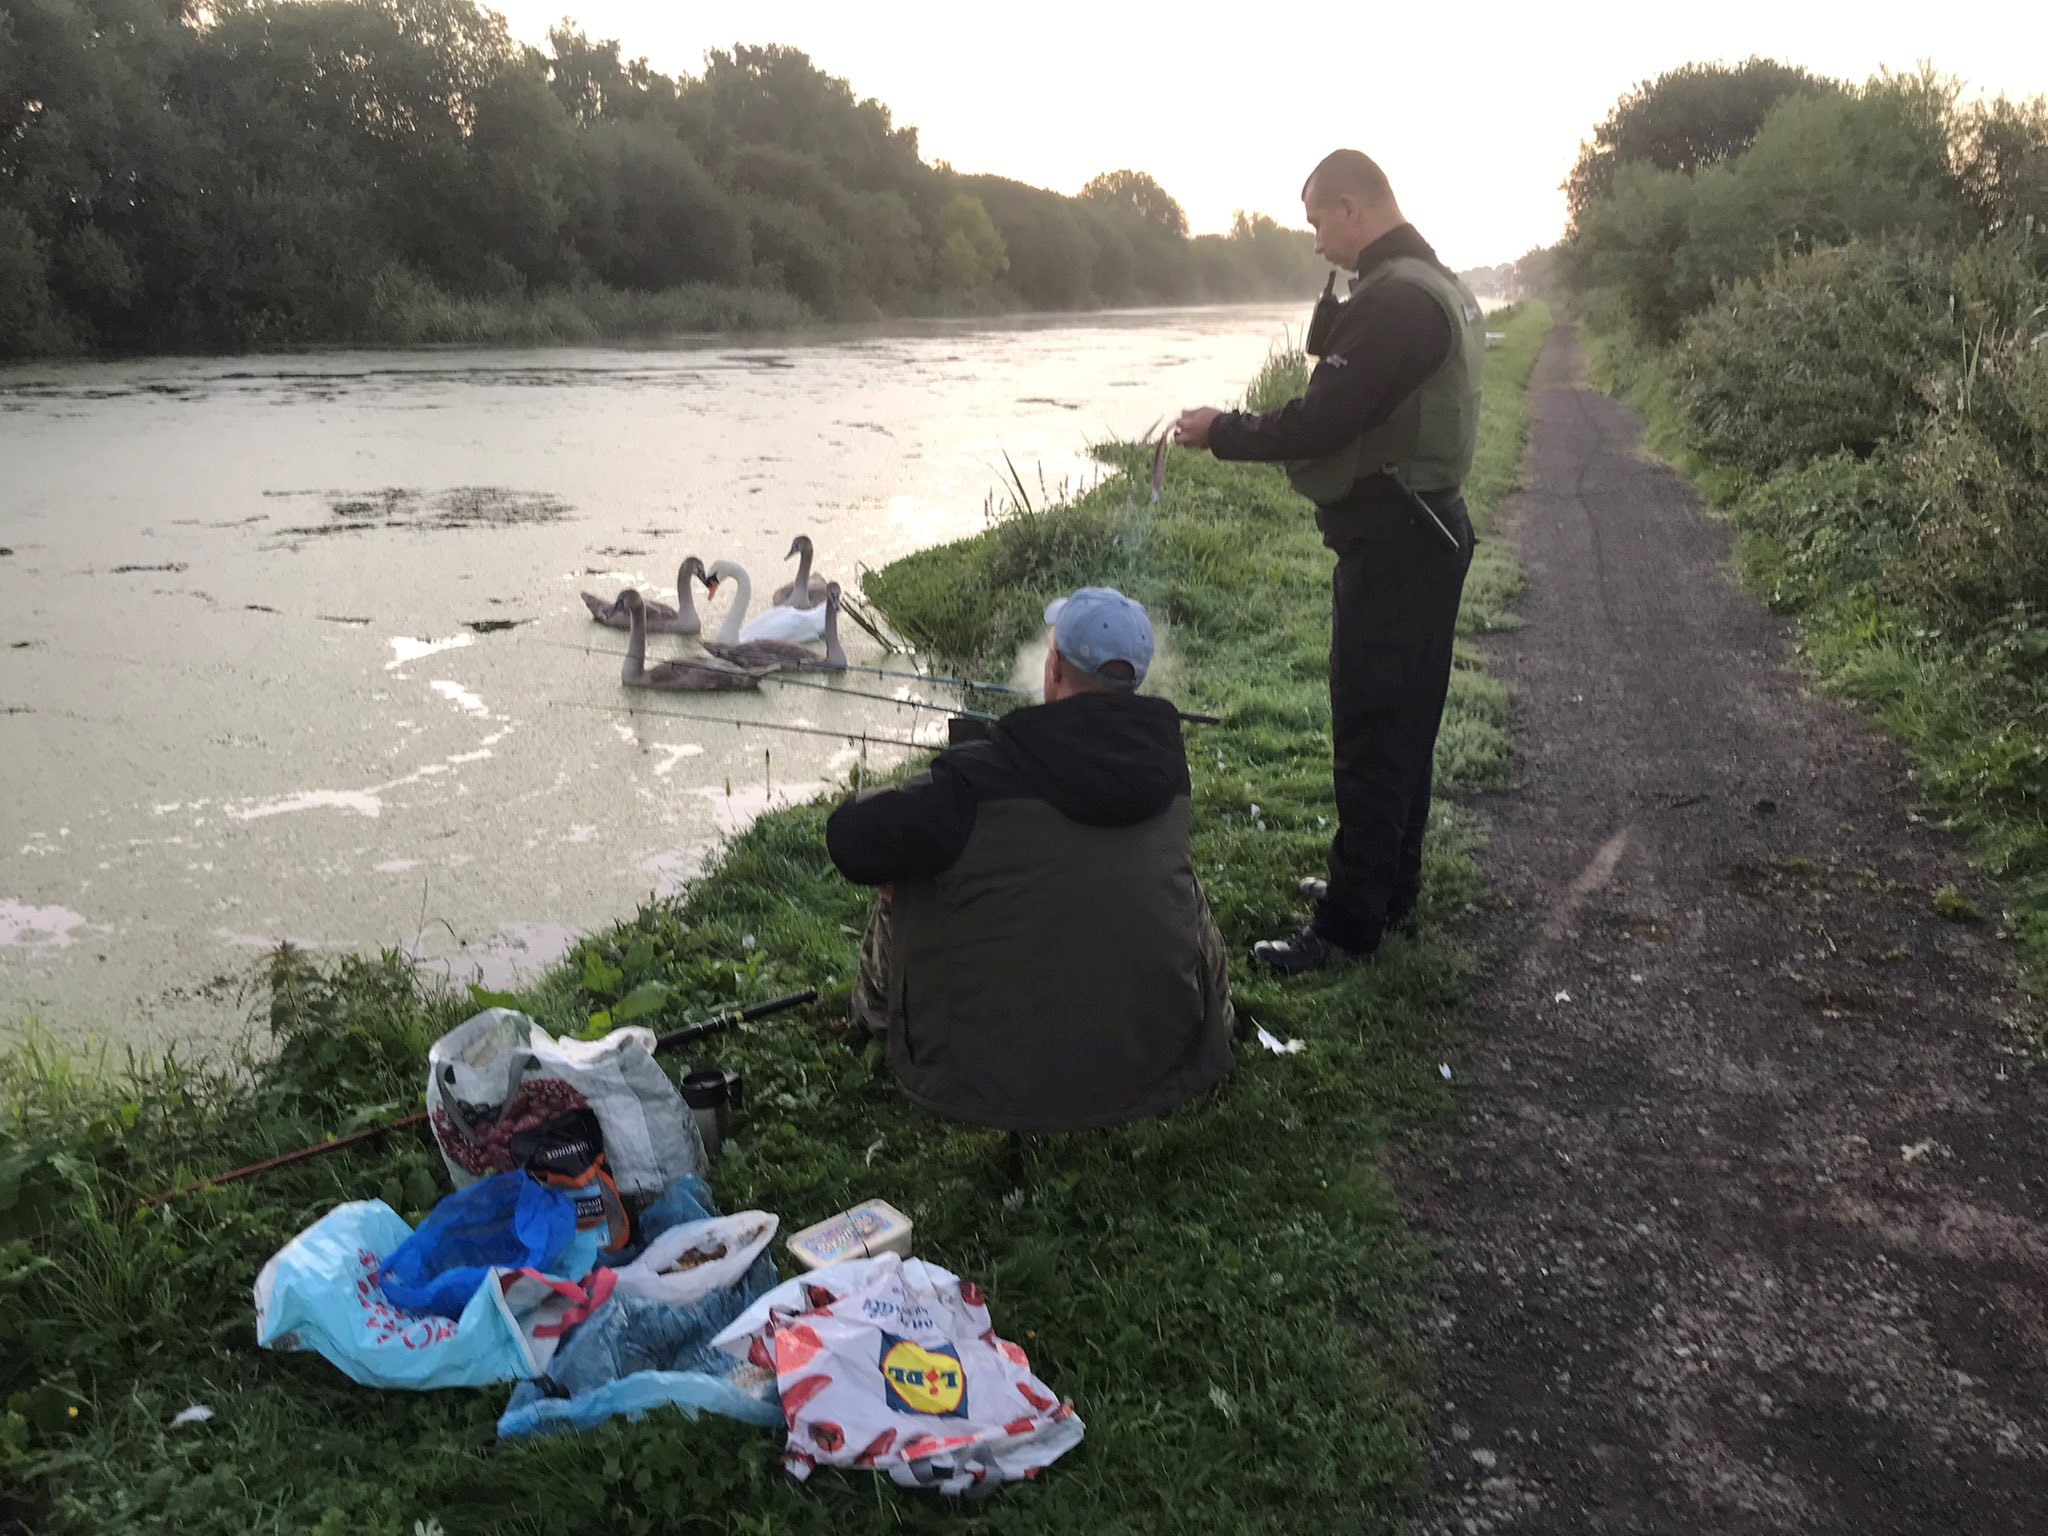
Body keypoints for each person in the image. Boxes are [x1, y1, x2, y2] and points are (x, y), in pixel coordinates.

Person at [1172, 149, 1486, 975]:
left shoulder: (1395, 305)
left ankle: (1349, 927)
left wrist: (1220, 431)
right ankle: (1387, 886)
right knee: (1406, 724)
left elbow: (1320, 422)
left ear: (1353, 207)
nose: (1315, 241)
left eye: (1317, 221)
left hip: (1397, 544)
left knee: (1374, 729)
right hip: (1424, 532)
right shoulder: (1429, 280)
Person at [825, 587, 1235, 1133]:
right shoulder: (1167, 768)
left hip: (978, 1084)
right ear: (1134, 678)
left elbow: (849, 839)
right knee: (1176, 887)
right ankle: (1207, 1025)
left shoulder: (973, 782)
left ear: (1055, 667)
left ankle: (873, 1019)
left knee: (910, 872)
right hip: (1155, 1067)